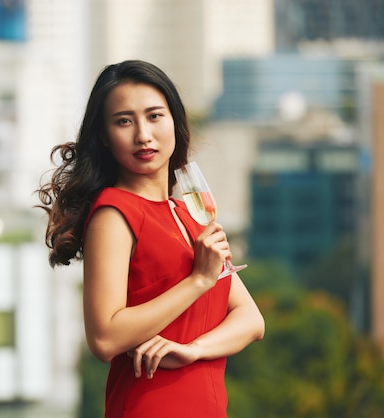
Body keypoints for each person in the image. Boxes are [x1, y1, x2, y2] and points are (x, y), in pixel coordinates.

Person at [37, 60, 264, 418]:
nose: (143, 134)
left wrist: (194, 349)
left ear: (175, 121)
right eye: (124, 121)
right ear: (104, 138)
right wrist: (199, 280)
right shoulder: (114, 213)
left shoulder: (189, 214)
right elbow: (104, 338)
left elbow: (251, 321)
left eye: (155, 116)